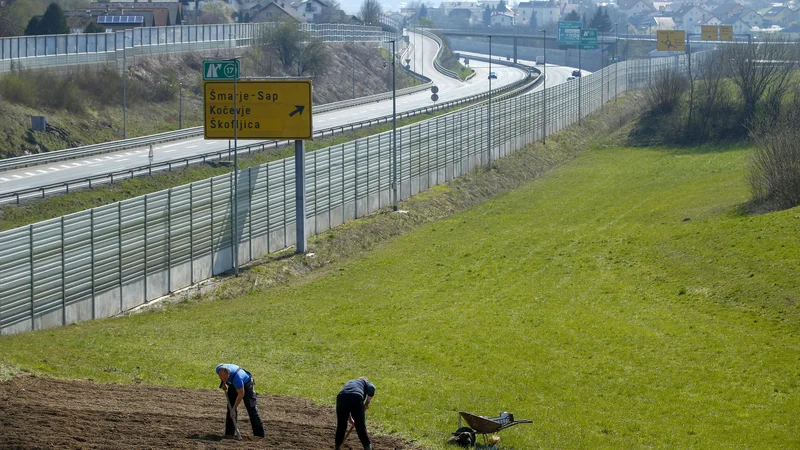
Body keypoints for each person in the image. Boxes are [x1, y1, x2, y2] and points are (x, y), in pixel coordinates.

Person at [216, 363, 265, 439]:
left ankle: (259, 434)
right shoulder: (218, 369)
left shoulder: (237, 378)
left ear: (228, 374)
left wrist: (234, 408)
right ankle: (229, 433)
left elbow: (241, 394)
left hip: (246, 384)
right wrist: (223, 383)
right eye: (221, 378)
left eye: (225, 378)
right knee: (230, 408)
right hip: (232, 384)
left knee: (252, 409)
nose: (224, 379)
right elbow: (223, 377)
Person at [335, 377, 376, 450]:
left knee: (341, 425)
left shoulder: (350, 382)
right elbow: (372, 388)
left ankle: (337, 447)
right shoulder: (365, 382)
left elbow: (347, 398)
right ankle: (367, 447)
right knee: (360, 426)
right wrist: (366, 403)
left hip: (341, 397)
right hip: (356, 397)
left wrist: (350, 419)